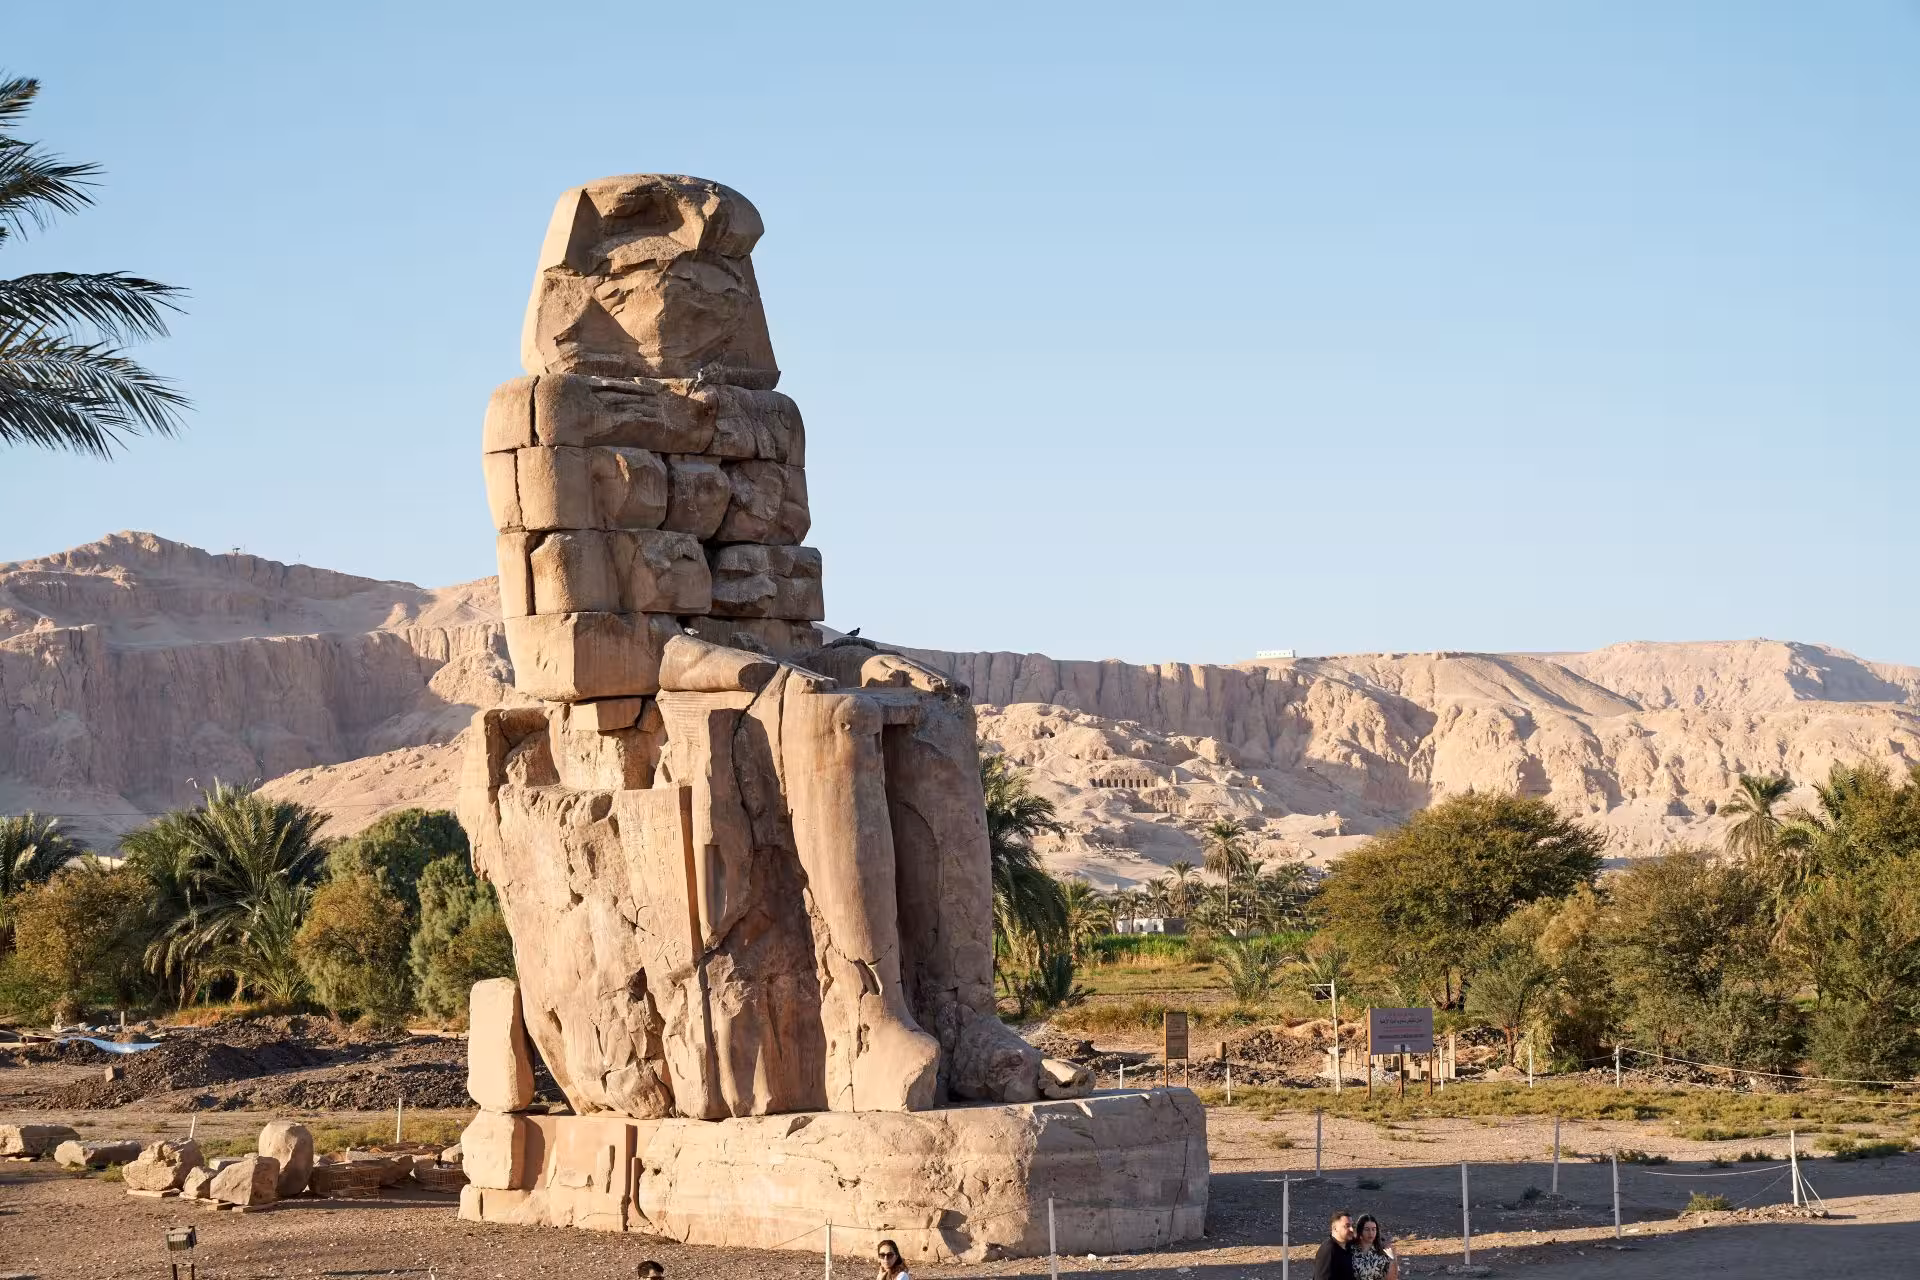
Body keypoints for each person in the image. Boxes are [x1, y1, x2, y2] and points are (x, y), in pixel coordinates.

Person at [1350, 1214, 1398, 1280]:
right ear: (1360, 1230)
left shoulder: (1383, 1251)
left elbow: (1392, 1278)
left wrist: (1393, 1259)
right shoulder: (1351, 1250)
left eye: (1373, 1229)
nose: (1371, 1233)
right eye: (1367, 1229)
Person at [1313, 1209, 1355, 1280]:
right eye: (1347, 1226)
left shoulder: (1348, 1245)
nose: (1352, 1229)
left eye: (1352, 1225)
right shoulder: (1329, 1250)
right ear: (1335, 1229)